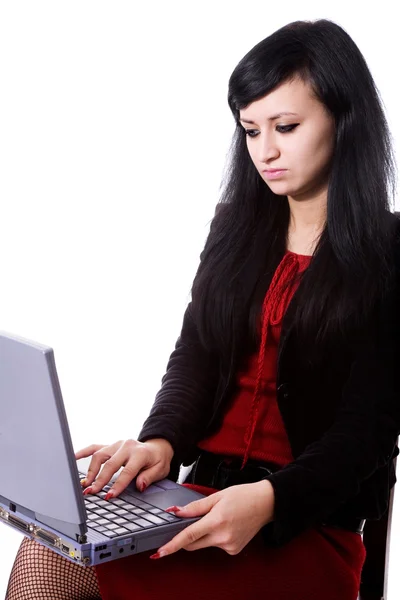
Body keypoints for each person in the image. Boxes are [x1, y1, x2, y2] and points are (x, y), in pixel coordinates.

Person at [6, 17, 400, 600]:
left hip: (301, 524)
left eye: (286, 127)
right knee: (48, 552)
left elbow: (364, 435)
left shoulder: (387, 253)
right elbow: (194, 357)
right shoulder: (236, 227)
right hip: (199, 501)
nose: (264, 151)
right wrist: (159, 444)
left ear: (345, 121)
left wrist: (269, 502)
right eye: (249, 130)